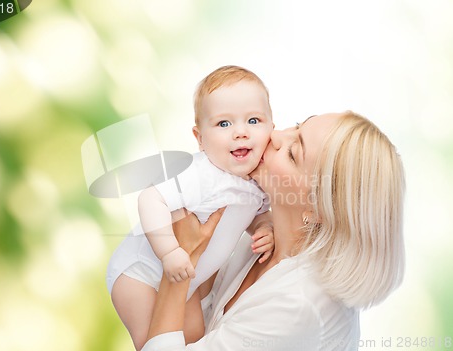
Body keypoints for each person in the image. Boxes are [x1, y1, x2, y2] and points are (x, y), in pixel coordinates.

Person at [142, 111, 406, 351]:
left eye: (293, 153)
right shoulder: (265, 238)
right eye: (297, 126)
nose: (275, 135)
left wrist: (181, 259)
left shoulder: (299, 305)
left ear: (318, 211)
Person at [106, 66, 276, 350]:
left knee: (196, 338)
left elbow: (257, 214)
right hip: (139, 274)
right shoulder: (201, 173)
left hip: (188, 283)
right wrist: (169, 251)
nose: (241, 132)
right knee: (152, 339)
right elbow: (150, 199)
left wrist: (265, 228)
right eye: (224, 124)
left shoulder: (259, 181)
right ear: (200, 138)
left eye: (254, 120)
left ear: (272, 126)